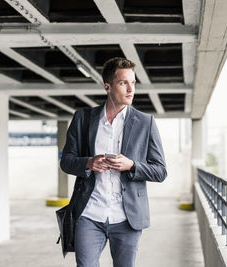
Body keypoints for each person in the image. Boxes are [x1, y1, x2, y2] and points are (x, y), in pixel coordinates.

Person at [60, 57, 167, 267]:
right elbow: (67, 162)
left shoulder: (146, 122)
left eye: (133, 83)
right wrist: (89, 162)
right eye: (123, 83)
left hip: (127, 217)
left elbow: (160, 171)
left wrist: (132, 166)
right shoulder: (82, 119)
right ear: (107, 86)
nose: (130, 89)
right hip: (89, 213)